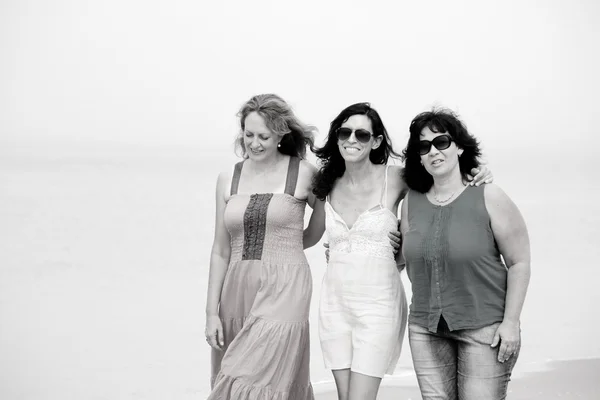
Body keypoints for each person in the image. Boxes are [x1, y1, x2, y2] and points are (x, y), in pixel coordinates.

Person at [312, 103, 493, 400]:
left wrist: (477, 171)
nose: (352, 139)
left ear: (377, 141)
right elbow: (306, 230)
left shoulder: (396, 178)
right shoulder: (326, 184)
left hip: (378, 305)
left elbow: (442, 184)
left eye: (361, 133)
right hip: (334, 306)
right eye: (345, 132)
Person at [400, 108, 531, 400]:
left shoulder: (489, 196)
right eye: (424, 146)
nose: (433, 151)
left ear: (459, 147)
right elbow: (408, 259)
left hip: (485, 330)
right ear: (418, 157)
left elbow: (519, 262)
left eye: (441, 142)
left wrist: (511, 323)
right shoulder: (411, 201)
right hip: (425, 328)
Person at [205, 94, 326, 400]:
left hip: (286, 288)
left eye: (264, 136)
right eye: (248, 135)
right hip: (236, 290)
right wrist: (211, 313)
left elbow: (321, 226)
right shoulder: (226, 179)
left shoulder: (302, 173)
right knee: (234, 373)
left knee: (252, 376)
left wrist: (284, 250)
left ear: (281, 135)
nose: (254, 143)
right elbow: (220, 251)